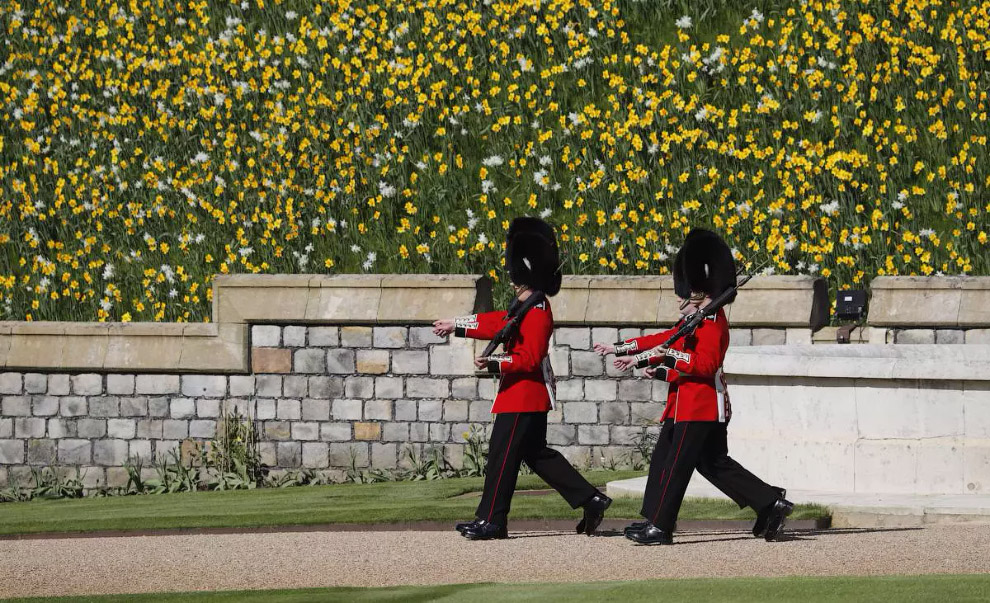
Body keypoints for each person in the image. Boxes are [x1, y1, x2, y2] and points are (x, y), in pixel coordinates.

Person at [594, 228, 793, 545]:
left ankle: (660, 525)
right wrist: (621, 349)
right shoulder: (697, 319)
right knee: (709, 464)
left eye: (683, 291)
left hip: (699, 406)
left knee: (674, 465)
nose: (678, 296)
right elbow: (663, 341)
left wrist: (662, 358)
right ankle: (770, 503)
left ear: (699, 291)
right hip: (686, 403)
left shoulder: (713, 323)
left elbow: (704, 365)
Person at [433, 217, 612, 540]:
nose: (512, 280)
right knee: (537, 455)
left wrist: (494, 363)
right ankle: (591, 498)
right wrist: (457, 324)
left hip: (524, 396)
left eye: (517, 274)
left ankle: (492, 520)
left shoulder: (538, 310)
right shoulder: (526, 305)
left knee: (502, 457)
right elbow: (499, 322)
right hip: (521, 394)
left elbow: (529, 358)